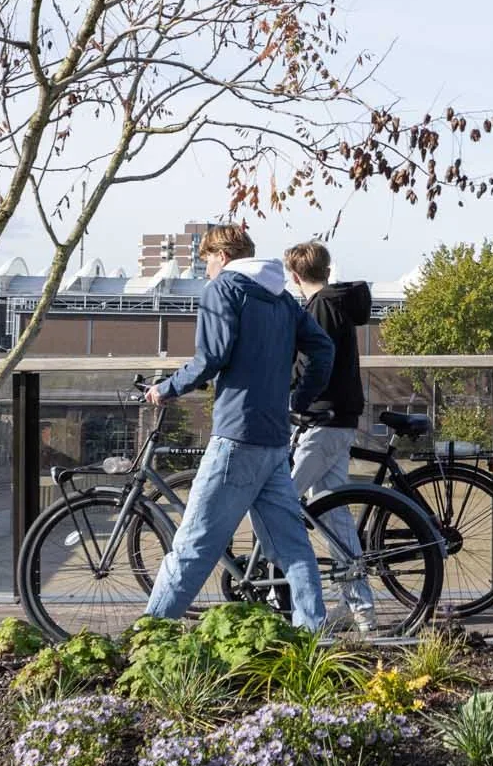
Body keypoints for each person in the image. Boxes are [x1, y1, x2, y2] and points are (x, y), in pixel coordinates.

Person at [141, 225, 333, 632]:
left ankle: (150, 636)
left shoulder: (223, 289)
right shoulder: (282, 296)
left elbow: (210, 357)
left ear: (222, 256)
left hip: (236, 437)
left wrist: (166, 388)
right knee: (293, 548)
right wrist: (297, 399)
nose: (205, 270)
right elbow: (323, 348)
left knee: (192, 545)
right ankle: (312, 637)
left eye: (206, 260)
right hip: (272, 439)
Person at [283, 240, 375, 632]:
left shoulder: (318, 308)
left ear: (295, 275)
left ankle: (284, 602)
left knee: (282, 504)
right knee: (335, 514)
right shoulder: (337, 304)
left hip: (322, 420)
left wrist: (292, 398)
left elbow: (311, 365)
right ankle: (362, 611)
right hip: (340, 418)